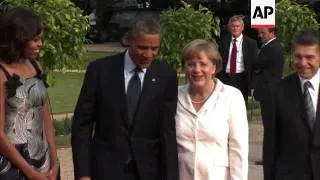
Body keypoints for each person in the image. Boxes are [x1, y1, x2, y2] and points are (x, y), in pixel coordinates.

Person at [71, 14, 179, 180]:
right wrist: (83, 173)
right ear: (128, 40)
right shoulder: (100, 71)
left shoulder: (166, 76)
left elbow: (167, 132)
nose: (148, 55)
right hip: (105, 170)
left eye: (154, 49)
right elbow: (82, 126)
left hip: (148, 171)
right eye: (142, 47)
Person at [176, 39, 248, 180]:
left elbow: (238, 149)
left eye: (203, 64)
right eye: (191, 64)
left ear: (214, 67)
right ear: (184, 68)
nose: (197, 70)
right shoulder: (174, 96)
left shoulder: (231, 96)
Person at [0, 8, 59, 180]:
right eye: (35, 39)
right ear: (18, 39)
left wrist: (54, 161)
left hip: (43, 159)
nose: (40, 44)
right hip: (11, 164)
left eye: (41, 38)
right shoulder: (2, 73)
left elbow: (45, 117)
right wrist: (30, 173)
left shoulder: (36, 66)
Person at [263, 29, 320, 180]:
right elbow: (270, 146)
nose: (303, 63)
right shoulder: (277, 92)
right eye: (298, 57)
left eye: (309, 57)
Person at [252, 28, 284, 166]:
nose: (260, 36)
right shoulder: (275, 46)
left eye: (263, 33)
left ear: (272, 33)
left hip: (269, 91)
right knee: (270, 126)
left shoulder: (271, 48)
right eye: (259, 33)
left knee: (270, 127)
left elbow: (256, 63)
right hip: (271, 89)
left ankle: (269, 158)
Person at [218, 15, 258, 103]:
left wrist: (253, 85)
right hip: (225, 78)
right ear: (229, 27)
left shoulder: (251, 43)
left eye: (237, 26)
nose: (235, 28)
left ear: (242, 27)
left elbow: (254, 66)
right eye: (233, 26)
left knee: (240, 106)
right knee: (224, 105)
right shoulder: (223, 42)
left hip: (242, 79)